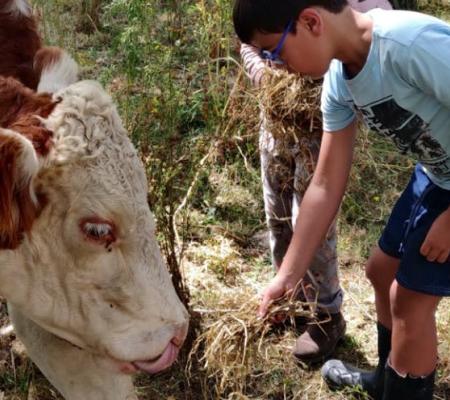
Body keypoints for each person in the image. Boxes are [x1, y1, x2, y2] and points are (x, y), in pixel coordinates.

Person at [233, 1, 450, 399]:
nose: (275, 66)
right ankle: (388, 380)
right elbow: (324, 185)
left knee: (410, 301)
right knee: (381, 272)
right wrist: (287, 276)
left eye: (274, 52)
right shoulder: (339, 82)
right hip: (437, 175)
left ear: (311, 21)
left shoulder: (408, 45)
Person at [240, 0, 392, 364]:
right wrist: (264, 71)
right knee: (276, 211)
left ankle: (326, 314)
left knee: (310, 216)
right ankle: (288, 297)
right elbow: (247, 37)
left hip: (322, 116)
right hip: (277, 112)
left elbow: (373, 24)